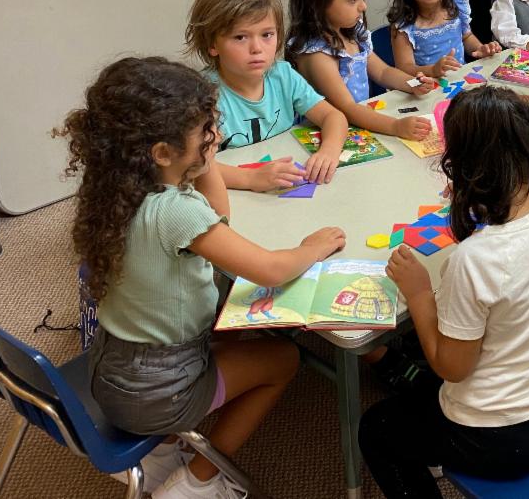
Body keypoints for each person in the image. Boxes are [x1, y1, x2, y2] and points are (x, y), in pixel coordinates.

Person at [61, 57, 345, 499]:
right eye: (207, 131)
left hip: (110, 367)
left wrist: (205, 159)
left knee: (235, 331)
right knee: (283, 358)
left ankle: (160, 452)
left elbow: (217, 220)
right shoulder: (175, 211)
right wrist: (313, 246)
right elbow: (270, 269)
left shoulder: (115, 191)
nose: (217, 134)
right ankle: (200, 479)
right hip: (158, 391)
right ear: (162, 153)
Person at [358, 87, 529, 497]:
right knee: (424, 378)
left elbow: (453, 369)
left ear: (460, 168)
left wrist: (420, 293)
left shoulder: (474, 261)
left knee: (376, 429)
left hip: (502, 438)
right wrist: (479, 202)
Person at [185, 0, 348, 192]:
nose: (257, 48)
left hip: (283, 189)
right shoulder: (201, 95)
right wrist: (249, 179)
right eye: (240, 37)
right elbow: (190, 164)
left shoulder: (283, 76)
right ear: (212, 45)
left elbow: (333, 116)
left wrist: (329, 151)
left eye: (267, 35)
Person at [286, 0, 436, 141]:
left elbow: (382, 72)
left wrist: (413, 84)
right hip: (329, 135)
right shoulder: (317, 55)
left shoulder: (352, 34)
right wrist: (396, 126)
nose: (363, 6)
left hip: (361, 123)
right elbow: (347, 108)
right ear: (318, 4)